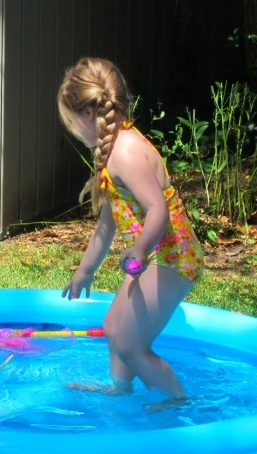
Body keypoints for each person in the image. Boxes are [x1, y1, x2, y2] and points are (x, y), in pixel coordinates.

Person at [57, 57, 204, 408]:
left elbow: (158, 208)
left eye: (73, 120)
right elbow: (108, 223)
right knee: (112, 326)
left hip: (172, 255)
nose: (75, 130)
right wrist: (85, 270)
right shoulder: (113, 151)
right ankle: (120, 389)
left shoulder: (126, 152)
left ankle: (178, 402)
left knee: (130, 345)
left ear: (89, 113)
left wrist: (138, 250)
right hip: (155, 253)